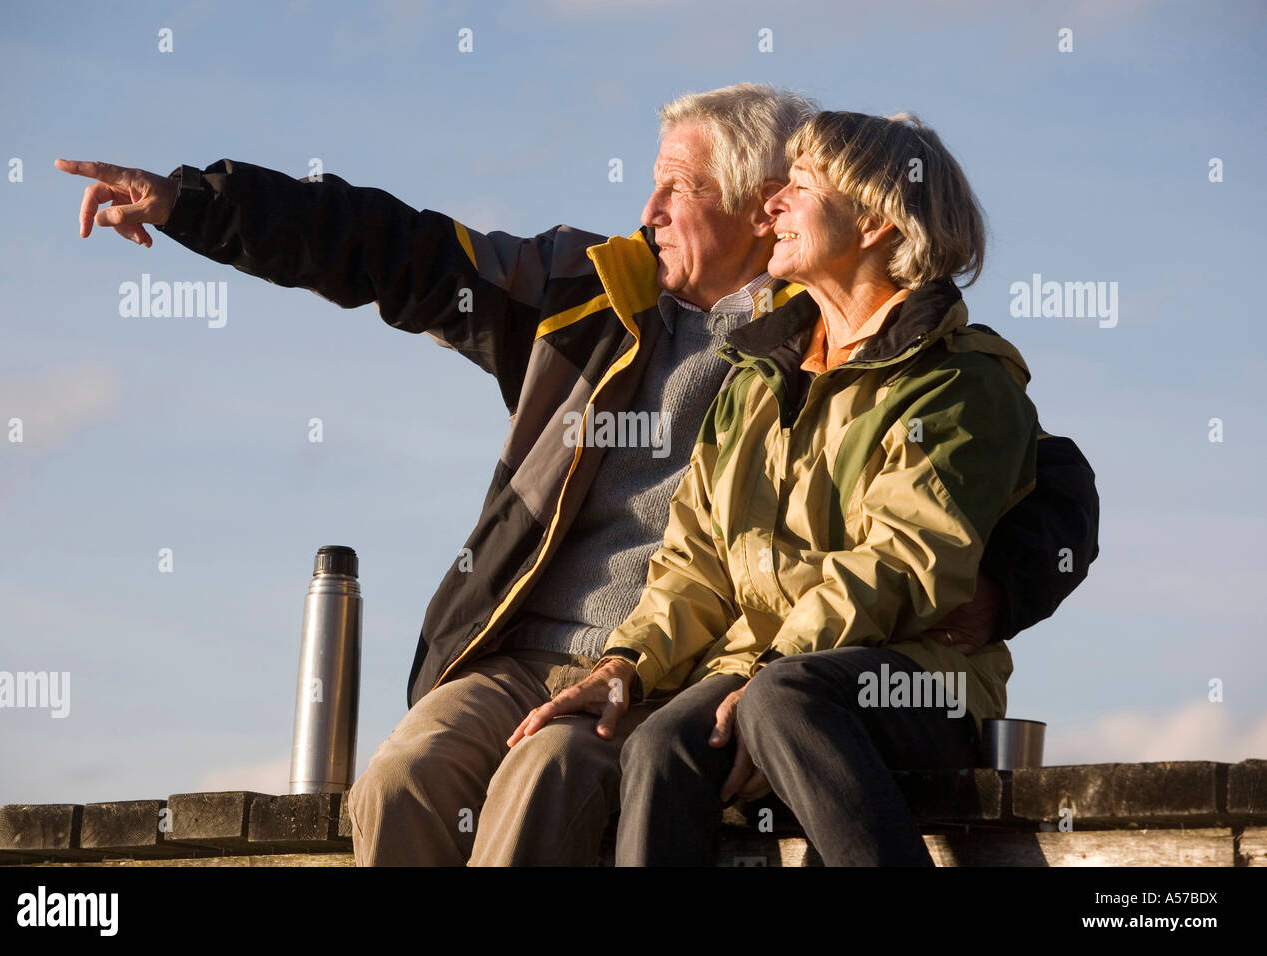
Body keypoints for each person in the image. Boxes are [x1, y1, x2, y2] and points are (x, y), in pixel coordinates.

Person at [55, 86, 1099, 866]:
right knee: (404, 782)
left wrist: (1004, 584)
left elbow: (1039, 476)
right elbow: (389, 250)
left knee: (549, 774)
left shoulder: (844, 344)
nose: (645, 206)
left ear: (754, 206)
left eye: (681, 187)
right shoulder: (590, 299)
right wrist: (196, 203)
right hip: (524, 653)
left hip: (687, 668)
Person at [520, 110, 1067, 866]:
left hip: (921, 688)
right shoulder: (753, 383)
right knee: (660, 743)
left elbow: (903, 562)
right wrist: (627, 664)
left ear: (876, 220)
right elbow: (694, 564)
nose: (770, 205)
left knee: (787, 700)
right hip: (773, 676)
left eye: (799, 187)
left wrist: (764, 672)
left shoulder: (959, 384)